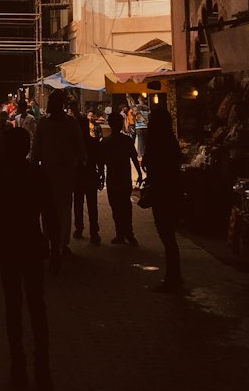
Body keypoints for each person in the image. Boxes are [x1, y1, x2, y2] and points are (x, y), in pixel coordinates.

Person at [0, 123, 59, 391]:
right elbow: (51, 213)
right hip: (31, 242)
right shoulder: (36, 173)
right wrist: (54, 250)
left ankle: (18, 364)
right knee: (36, 305)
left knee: (13, 306)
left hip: (9, 244)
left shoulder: (2, 173)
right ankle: (42, 368)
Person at [31, 92, 86, 254]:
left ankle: (53, 242)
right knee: (61, 208)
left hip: (54, 172)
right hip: (60, 172)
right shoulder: (68, 123)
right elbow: (80, 148)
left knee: (51, 208)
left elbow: (36, 150)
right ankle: (58, 242)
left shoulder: (47, 123)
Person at [142, 104, 184, 291]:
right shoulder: (171, 142)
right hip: (172, 192)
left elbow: (152, 167)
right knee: (169, 237)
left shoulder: (156, 143)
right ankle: (174, 276)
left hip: (161, 193)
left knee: (166, 236)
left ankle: (173, 279)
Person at [99, 110, 142, 244]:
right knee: (124, 206)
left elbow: (101, 162)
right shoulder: (126, 140)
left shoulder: (106, 142)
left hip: (114, 178)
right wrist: (139, 174)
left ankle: (122, 233)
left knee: (117, 206)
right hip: (122, 178)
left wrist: (100, 176)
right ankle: (127, 233)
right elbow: (134, 158)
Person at [71, 98, 102, 245]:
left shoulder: (75, 144)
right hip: (90, 175)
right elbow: (99, 161)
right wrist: (101, 175)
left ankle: (79, 228)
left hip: (79, 177)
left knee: (78, 203)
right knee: (92, 204)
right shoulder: (93, 142)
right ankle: (94, 232)